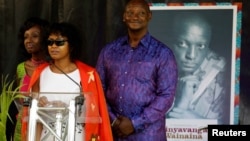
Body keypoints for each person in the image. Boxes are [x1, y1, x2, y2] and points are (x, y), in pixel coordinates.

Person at [96, 0, 178, 140]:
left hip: (148, 134)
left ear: (149, 16)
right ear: (123, 17)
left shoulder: (163, 53)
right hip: (114, 132)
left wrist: (135, 123)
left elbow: (166, 96)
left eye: (141, 13)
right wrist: (114, 120)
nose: (135, 17)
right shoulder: (109, 51)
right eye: (130, 13)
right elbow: (98, 89)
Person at [24, 22, 113, 141]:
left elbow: (94, 114)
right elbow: (33, 118)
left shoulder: (88, 74)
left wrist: (66, 109)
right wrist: (39, 107)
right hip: (47, 136)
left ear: (71, 46)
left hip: (76, 135)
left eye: (59, 42)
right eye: (50, 42)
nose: (53, 46)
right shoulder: (40, 73)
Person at [165, 12, 229, 124]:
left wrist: (200, 122)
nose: (192, 55)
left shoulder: (226, 73)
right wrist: (182, 104)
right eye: (182, 43)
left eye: (201, 46)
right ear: (170, 41)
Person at [12, 17, 49, 141]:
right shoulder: (20, 68)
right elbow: (19, 100)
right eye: (26, 37)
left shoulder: (52, 68)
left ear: (44, 38)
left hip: (46, 126)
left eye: (35, 36)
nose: (29, 40)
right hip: (22, 126)